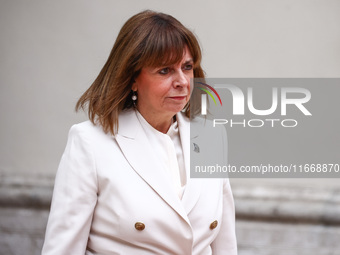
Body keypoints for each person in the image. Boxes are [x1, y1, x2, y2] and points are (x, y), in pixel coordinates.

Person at [42, 10, 237, 255]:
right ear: (132, 78)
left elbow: (225, 245)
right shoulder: (90, 143)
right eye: (165, 70)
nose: (183, 81)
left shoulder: (211, 138)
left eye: (187, 67)